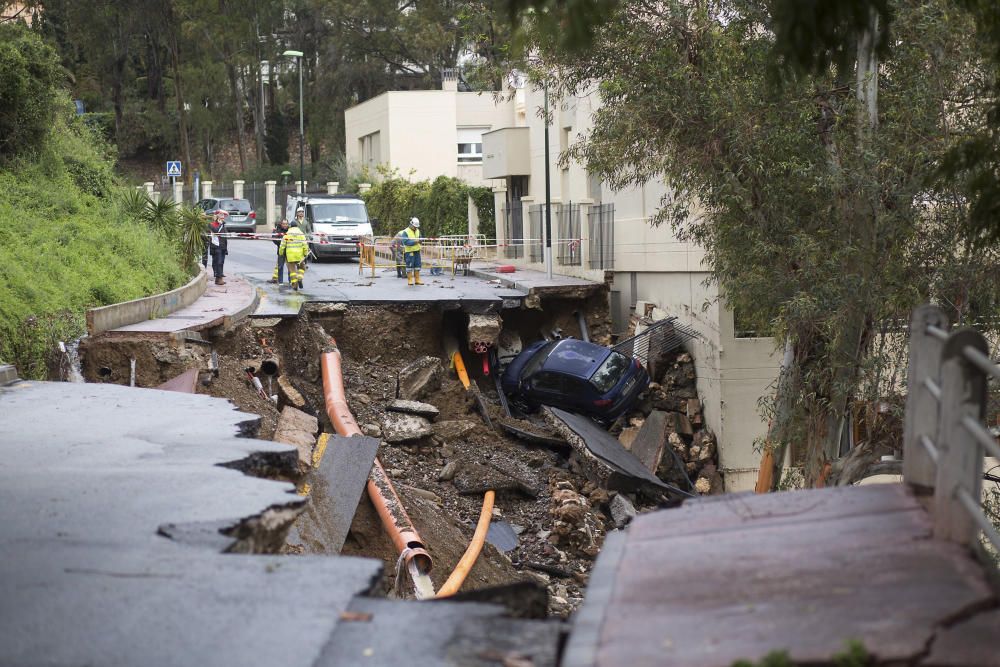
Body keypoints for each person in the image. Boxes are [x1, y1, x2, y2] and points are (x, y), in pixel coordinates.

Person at [279, 207, 309, 291]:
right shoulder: (301, 234)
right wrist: (305, 253)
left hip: (290, 256)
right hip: (299, 256)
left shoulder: (287, 234)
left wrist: (281, 253)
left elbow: (282, 245)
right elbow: (305, 244)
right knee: (302, 268)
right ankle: (300, 277)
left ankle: (295, 285)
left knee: (292, 271)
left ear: (290, 226)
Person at [202, 209, 228, 286]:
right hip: (216, 246)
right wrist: (220, 225)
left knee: (221, 262)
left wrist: (225, 248)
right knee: (218, 262)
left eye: (223, 217)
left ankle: (219, 278)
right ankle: (218, 278)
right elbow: (216, 232)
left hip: (223, 246)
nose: (222, 218)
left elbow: (224, 235)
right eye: (221, 216)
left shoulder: (223, 225)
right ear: (216, 217)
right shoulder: (211, 224)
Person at [401, 217, 423, 286]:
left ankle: (417, 280)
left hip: (417, 251)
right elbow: (405, 242)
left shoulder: (418, 230)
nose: (415, 228)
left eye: (416, 227)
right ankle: (410, 280)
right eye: (414, 227)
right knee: (409, 266)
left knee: (417, 265)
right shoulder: (405, 232)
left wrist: (420, 240)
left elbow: (421, 238)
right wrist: (415, 241)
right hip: (409, 251)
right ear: (411, 224)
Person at [270, 219, 290, 283]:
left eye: (286, 224)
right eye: (283, 224)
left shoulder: (290, 230)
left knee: (290, 267)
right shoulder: (277, 230)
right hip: (280, 251)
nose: (285, 225)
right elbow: (274, 239)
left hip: (289, 251)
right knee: (280, 266)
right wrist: (281, 243)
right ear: (281, 224)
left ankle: (291, 281)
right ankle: (280, 281)